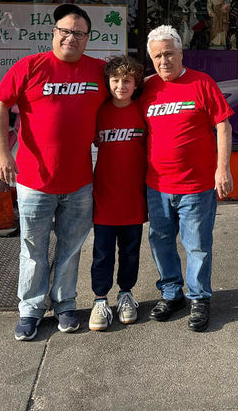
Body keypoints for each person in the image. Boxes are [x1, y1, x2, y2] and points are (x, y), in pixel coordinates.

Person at [0, 3, 107, 341]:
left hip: (80, 181)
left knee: (71, 248)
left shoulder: (99, 71)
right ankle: (30, 308)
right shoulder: (29, 67)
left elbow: (126, 90)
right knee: (33, 248)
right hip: (34, 180)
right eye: (65, 31)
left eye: (79, 33)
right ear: (54, 33)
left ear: (88, 38)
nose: (71, 37)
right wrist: (2, 152)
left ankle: (65, 303)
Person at [141, 25, 234, 332]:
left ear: (181, 53)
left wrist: (222, 168)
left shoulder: (202, 82)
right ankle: (171, 294)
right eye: (157, 56)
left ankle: (199, 298)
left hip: (196, 186)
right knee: (161, 242)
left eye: (169, 54)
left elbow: (223, 126)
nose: (163, 61)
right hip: (157, 186)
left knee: (197, 245)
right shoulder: (147, 88)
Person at [89, 55, 147, 331]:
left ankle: (126, 294)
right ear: (108, 83)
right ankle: (100, 299)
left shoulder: (143, 111)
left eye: (127, 81)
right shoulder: (99, 112)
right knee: (102, 253)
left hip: (134, 196)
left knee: (130, 251)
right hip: (104, 196)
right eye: (115, 80)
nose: (121, 86)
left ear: (136, 84)